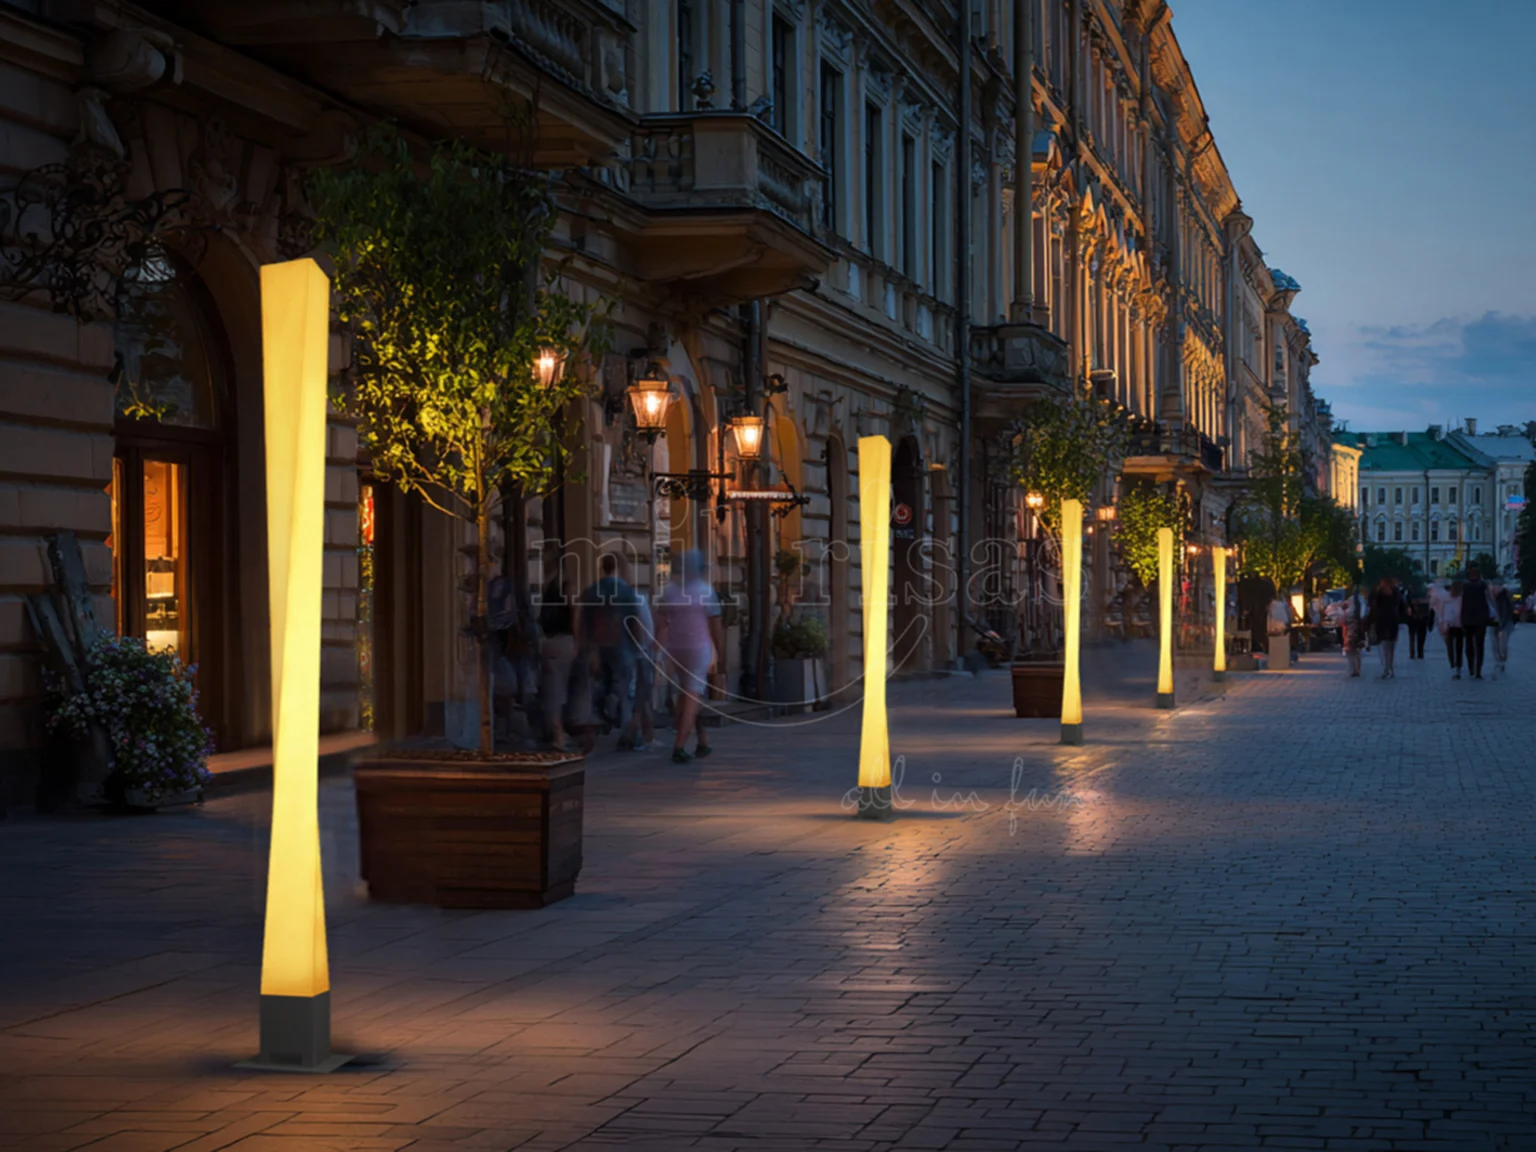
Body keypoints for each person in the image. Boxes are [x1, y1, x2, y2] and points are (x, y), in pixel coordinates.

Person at [656, 549, 725, 764]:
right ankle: (679, 745)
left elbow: (660, 622)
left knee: (687, 696)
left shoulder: (668, 591)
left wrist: (656, 649)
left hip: (675, 648)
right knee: (692, 696)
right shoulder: (706, 591)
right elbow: (715, 626)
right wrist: (721, 653)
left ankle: (703, 740)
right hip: (698, 649)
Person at [579, 553, 643, 750]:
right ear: (618, 569)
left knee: (596, 687)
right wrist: (638, 647)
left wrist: (588, 648)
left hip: (598, 646)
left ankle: (594, 723)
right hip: (622, 646)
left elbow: (584, 623)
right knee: (624, 690)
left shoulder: (591, 591)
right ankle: (627, 734)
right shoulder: (626, 592)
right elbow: (634, 622)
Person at [538, 563, 578, 751]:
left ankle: (558, 734)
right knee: (563, 690)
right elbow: (574, 616)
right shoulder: (567, 594)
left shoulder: (548, 593)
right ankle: (561, 731)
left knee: (553, 690)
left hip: (552, 643)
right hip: (567, 643)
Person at [1460, 565, 1495, 680]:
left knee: (1469, 644)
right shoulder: (1483, 584)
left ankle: (1471, 667)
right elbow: (1490, 598)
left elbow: (1460, 601)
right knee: (1480, 645)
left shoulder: (1464, 585)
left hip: (1467, 617)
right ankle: (1478, 670)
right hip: (1481, 617)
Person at [1368, 576, 1400, 679]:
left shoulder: (1379, 593)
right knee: (1389, 646)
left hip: (1384, 621)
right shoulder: (1392, 592)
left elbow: (1371, 604)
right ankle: (1389, 667)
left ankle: (1387, 668)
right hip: (1389, 621)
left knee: (1386, 646)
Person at [1342, 584, 1369, 678]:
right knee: (1357, 649)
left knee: (1350, 649)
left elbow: (1346, 613)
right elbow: (1364, 613)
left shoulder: (1350, 601)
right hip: (1358, 627)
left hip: (1350, 627)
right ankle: (1357, 669)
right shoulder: (1361, 600)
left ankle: (1352, 669)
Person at [1440, 580, 1465, 680]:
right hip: (1453, 624)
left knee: (1453, 647)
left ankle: (1455, 666)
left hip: (1453, 624)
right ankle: (1456, 666)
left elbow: (1443, 611)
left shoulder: (1452, 598)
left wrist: (1443, 621)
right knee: (1456, 647)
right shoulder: (1456, 598)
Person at [1492, 581, 1516, 673]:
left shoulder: (1502, 598)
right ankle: (1500, 660)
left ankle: (1501, 660)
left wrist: (1501, 624)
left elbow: (1505, 613)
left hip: (1503, 623)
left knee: (1501, 643)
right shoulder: (1497, 598)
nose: (1495, 589)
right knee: (1498, 643)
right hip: (1499, 623)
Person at [1405, 592, 1431, 660]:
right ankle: (1419, 652)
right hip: (1421, 617)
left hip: (1415, 617)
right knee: (1420, 636)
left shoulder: (1409, 595)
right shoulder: (1425, 594)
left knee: (1413, 635)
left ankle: (1413, 652)